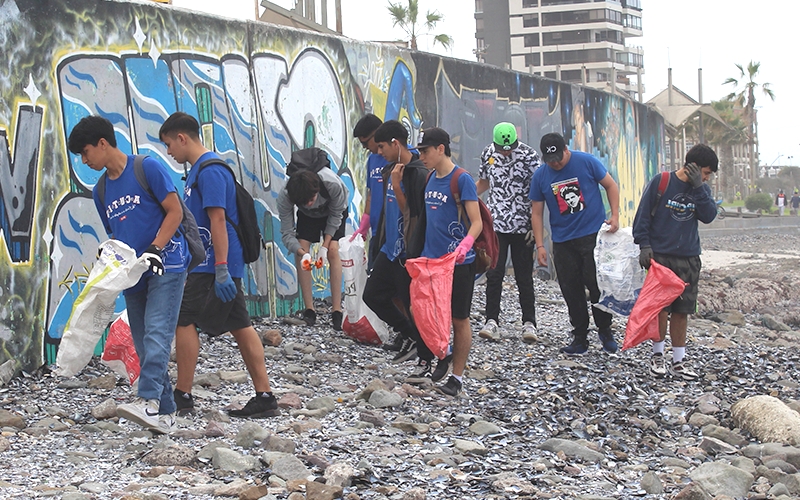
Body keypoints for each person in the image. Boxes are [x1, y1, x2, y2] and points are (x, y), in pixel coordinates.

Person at [68, 115, 189, 433]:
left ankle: (148, 401)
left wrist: (155, 248)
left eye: (85, 152)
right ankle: (166, 414)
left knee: (157, 333)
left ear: (103, 144)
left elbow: (174, 211)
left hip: (167, 264)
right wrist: (109, 256)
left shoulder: (146, 167)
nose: (84, 161)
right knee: (143, 341)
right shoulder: (101, 190)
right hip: (133, 274)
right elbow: (118, 235)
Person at [158, 112, 279, 418]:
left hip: (213, 264)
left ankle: (182, 395)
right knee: (240, 324)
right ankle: (264, 396)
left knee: (184, 320)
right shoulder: (201, 170)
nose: (169, 152)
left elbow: (218, 219)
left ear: (183, 138)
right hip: (215, 263)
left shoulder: (209, 171)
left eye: (169, 144)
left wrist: (221, 267)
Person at [360, 120, 447, 383]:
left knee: (416, 307)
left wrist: (397, 186)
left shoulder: (417, 173)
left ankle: (427, 358)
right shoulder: (389, 168)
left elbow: (416, 214)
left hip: (408, 253)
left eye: (383, 146)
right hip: (389, 248)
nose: (379, 152)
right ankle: (407, 333)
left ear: (396, 143)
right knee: (372, 295)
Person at [529, 132, 620, 355]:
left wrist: (615, 215)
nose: (556, 163)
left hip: (592, 237)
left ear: (566, 149)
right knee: (571, 289)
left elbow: (610, 185)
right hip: (562, 241)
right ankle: (580, 336)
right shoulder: (541, 176)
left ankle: (605, 330)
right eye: (550, 160)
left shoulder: (586, 161)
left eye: (559, 158)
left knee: (597, 286)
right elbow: (537, 213)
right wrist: (540, 245)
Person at [633, 144, 719, 380]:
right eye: (705, 172)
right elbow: (642, 216)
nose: (706, 177)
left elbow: (709, 216)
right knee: (660, 308)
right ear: (693, 166)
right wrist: (645, 245)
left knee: (682, 310)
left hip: (689, 257)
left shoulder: (701, 190)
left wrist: (699, 187)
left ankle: (678, 360)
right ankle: (657, 355)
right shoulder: (662, 181)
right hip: (661, 256)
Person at [412, 127, 482, 396]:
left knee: (459, 318)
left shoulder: (461, 179)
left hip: (458, 262)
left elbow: (475, 222)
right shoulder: (430, 178)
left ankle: (457, 377)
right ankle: (443, 352)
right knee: (427, 312)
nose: (422, 156)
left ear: (441, 148)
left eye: (425, 151)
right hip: (432, 263)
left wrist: (465, 245)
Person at [477, 122, 540, 343]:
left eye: (509, 147)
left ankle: (529, 323)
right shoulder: (488, 153)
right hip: (496, 224)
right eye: (502, 148)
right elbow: (484, 181)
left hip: (523, 225)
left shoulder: (529, 156)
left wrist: (536, 225)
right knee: (494, 273)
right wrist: (467, 197)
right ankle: (491, 320)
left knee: (524, 276)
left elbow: (538, 190)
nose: (506, 151)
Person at [277, 150, 349, 330]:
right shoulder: (285, 196)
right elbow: (287, 233)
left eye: (311, 200)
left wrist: (324, 247)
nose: (309, 203)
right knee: (302, 249)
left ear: (316, 190)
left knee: (333, 249)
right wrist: (303, 254)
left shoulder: (331, 184)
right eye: (304, 202)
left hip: (333, 211)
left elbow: (336, 215)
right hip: (308, 217)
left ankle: (337, 310)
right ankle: (309, 309)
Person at [349, 114, 387, 268]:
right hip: (377, 233)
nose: (365, 148)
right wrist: (364, 226)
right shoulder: (372, 160)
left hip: (397, 235)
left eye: (365, 143)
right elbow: (371, 194)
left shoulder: (404, 156)